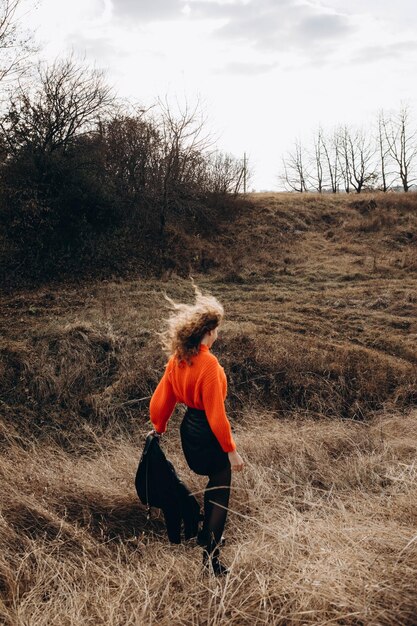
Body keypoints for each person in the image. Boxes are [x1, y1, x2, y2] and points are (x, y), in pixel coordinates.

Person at [149, 285, 244, 576]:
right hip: (207, 434)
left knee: (212, 482)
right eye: (217, 330)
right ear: (209, 331)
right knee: (219, 487)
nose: (218, 335)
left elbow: (161, 399)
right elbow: (217, 416)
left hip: (188, 431)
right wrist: (232, 451)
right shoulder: (209, 366)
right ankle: (211, 557)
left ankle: (204, 534)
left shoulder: (178, 358)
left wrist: (159, 427)